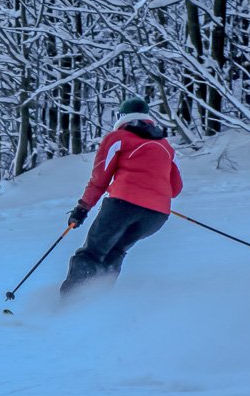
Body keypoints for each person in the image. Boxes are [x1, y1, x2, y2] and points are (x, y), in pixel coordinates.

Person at [60, 96, 182, 295]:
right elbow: (175, 188)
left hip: (123, 204)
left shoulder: (117, 138)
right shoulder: (166, 146)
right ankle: (97, 302)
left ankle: (67, 305)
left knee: (91, 254)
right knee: (115, 252)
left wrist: (82, 208)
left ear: (122, 117)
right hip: (157, 215)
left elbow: (100, 179)